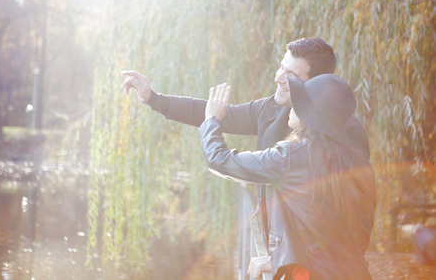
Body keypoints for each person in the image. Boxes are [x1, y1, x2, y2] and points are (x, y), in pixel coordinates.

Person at [120, 38, 371, 278]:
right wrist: (153, 98)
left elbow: (348, 212)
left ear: (317, 85)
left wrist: (282, 256)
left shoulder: (344, 132)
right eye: (280, 68)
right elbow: (217, 113)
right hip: (298, 259)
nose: (279, 78)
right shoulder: (269, 109)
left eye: (291, 76)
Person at [199, 76, 376, 279]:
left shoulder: (293, 156)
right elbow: (358, 237)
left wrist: (210, 120)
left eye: (299, 101)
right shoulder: (360, 163)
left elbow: (219, 160)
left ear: (311, 115)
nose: (292, 104)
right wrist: (278, 258)